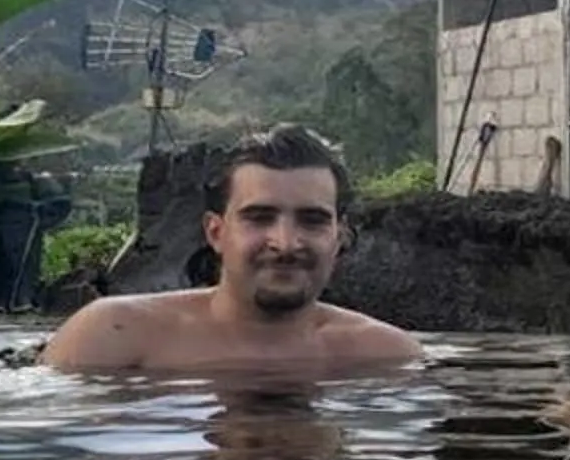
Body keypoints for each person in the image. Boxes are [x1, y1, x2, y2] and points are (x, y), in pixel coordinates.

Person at [39, 123, 423, 377]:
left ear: (339, 238)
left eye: (312, 220)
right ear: (216, 232)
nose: (285, 243)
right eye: (259, 217)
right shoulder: (113, 335)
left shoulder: (385, 356)